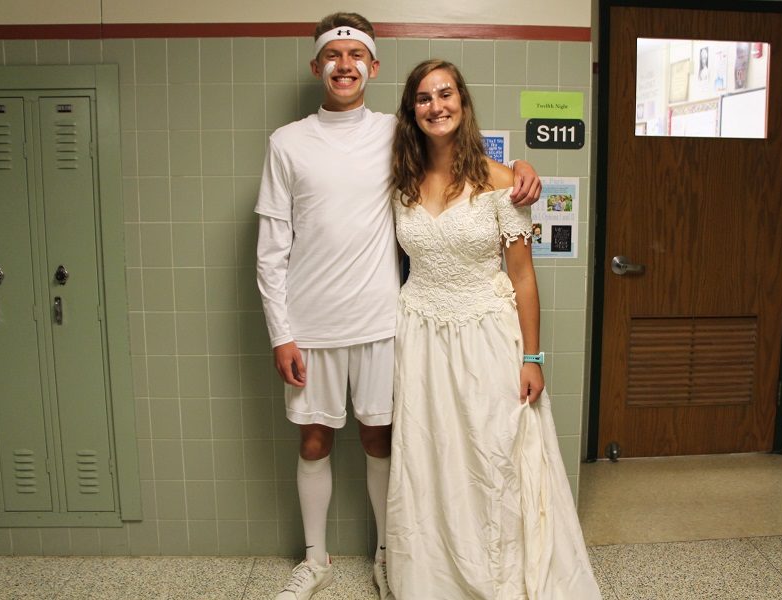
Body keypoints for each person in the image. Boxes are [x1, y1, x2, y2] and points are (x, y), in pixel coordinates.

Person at [255, 14, 542, 600]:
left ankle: (391, 555)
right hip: (310, 325)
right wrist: (281, 333)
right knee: (314, 440)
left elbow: (455, 146)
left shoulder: (397, 133)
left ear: (373, 67)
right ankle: (315, 560)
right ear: (317, 67)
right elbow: (270, 251)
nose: (343, 64)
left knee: (382, 440)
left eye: (354, 54)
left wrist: (522, 170)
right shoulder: (287, 142)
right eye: (331, 55)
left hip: (386, 321)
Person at [385, 59, 602, 599]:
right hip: (420, 335)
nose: (436, 105)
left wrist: (534, 357)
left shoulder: (504, 182)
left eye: (446, 93)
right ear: (412, 110)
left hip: (485, 335)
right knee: (430, 456)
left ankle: (497, 574)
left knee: (491, 454)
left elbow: (523, 277)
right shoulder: (400, 182)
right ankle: (434, 575)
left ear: (462, 102)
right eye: (424, 98)